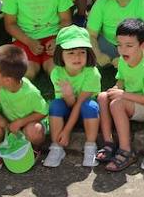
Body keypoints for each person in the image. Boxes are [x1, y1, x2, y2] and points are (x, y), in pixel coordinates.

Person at [95, 17, 144, 171]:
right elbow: (121, 79)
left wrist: (122, 95)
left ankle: (127, 151)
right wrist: (115, 89)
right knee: (102, 97)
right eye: (119, 45)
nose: (123, 50)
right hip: (130, 99)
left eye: (129, 45)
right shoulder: (123, 59)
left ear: (143, 45)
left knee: (117, 103)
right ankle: (108, 142)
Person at [0, 44, 50, 172]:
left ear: (7, 80)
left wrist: (21, 122)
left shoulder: (30, 92)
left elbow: (43, 112)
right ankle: (1, 150)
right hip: (10, 126)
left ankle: (33, 149)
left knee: (35, 130)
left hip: (28, 124)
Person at [43, 25, 102, 168]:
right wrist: (68, 96)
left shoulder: (92, 73)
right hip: (68, 110)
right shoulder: (57, 73)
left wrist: (67, 131)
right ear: (60, 54)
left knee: (90, 106)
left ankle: (90, 146)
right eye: (71, 53)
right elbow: (68, 104)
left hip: (86, 115)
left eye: (82, 52)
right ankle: (56, 147)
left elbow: (80, 103)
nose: (77, 57)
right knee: (55, 105)